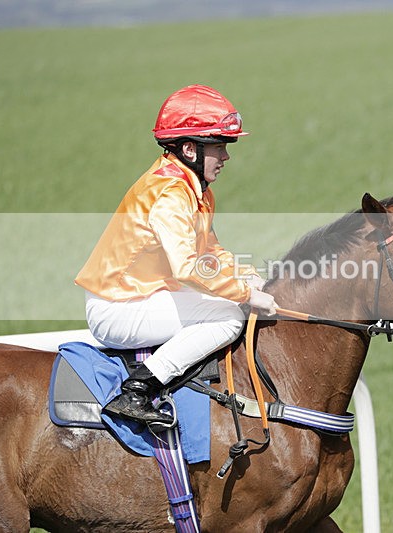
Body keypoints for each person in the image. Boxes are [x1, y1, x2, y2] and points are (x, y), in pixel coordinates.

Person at [75, 84, 278, 426]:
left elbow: (210, 253)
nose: (226, 157)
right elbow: (188, 267)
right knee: (228, 317)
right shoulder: (170, 193)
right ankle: (138, 389)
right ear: (189, 148)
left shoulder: (194, 190)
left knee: (229, 301)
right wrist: (245, 294)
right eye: (219, 147)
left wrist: (251, 277)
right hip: (117, 308)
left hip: (143, 295)